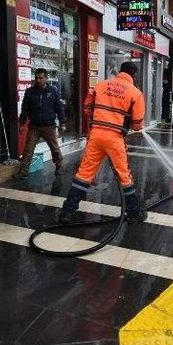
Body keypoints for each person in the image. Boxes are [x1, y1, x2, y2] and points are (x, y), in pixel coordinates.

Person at [59, 62, 146, 224]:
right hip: (115, 139)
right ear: (134, 76)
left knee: (84, 174)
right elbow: (137, 125)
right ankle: (134, 213)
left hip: (96, 135)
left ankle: (67, 212)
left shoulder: (100, 85)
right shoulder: (136, 93)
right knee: (124, 176)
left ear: (120, 72)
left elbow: (86, 109)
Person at [14, 69, 67, 179]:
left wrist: (62, 123)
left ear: (46, 78)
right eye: (36, 78)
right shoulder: (30, 92)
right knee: (28, 149)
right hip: (34, 126)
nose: (38, 80)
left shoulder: (53, 91)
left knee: (54, 149)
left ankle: (59, 167)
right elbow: (25, 109)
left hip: (49, 126)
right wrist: (22, 123)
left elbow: (59, 108)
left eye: (41, 78)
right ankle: (23, 172)